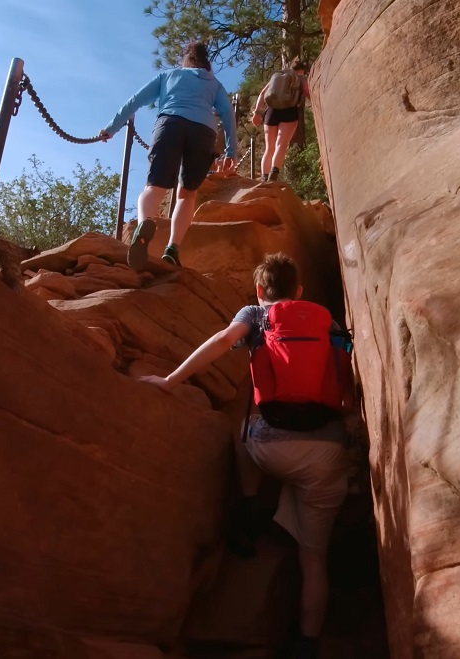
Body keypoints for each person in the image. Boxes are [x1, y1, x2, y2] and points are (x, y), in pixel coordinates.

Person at [140, 253, 351, 659]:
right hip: (327, 451)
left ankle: (253, 503)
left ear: (259, 290)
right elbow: (344, 380)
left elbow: (222, 342)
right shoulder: (327, 320)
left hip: (270, 448)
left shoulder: (255, 315)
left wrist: (169, 381)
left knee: (242, 411)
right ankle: (308, 644)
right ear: (300, 292)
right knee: (314, 559)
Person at [99, 42, 237, 269]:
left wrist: (111, 127)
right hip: (203, 132)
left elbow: (136, 100)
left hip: (169, 124)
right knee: (187, 194)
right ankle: (172, 248)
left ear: (185, 62)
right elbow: (227, 114)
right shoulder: (214, 84)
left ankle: (146, 223)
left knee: (153, 188)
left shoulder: (169, 75)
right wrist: (231, 150)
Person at [251, 58, 310, 183]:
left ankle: (264, 177)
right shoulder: (301, 78)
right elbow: (308, 92)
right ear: (301, 70)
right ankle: (273, 175)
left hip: (272, 111)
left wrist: (257, 113)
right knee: (281, 145)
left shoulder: (279, 75)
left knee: (269, 147)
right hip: (289, 111)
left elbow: (262, 94)